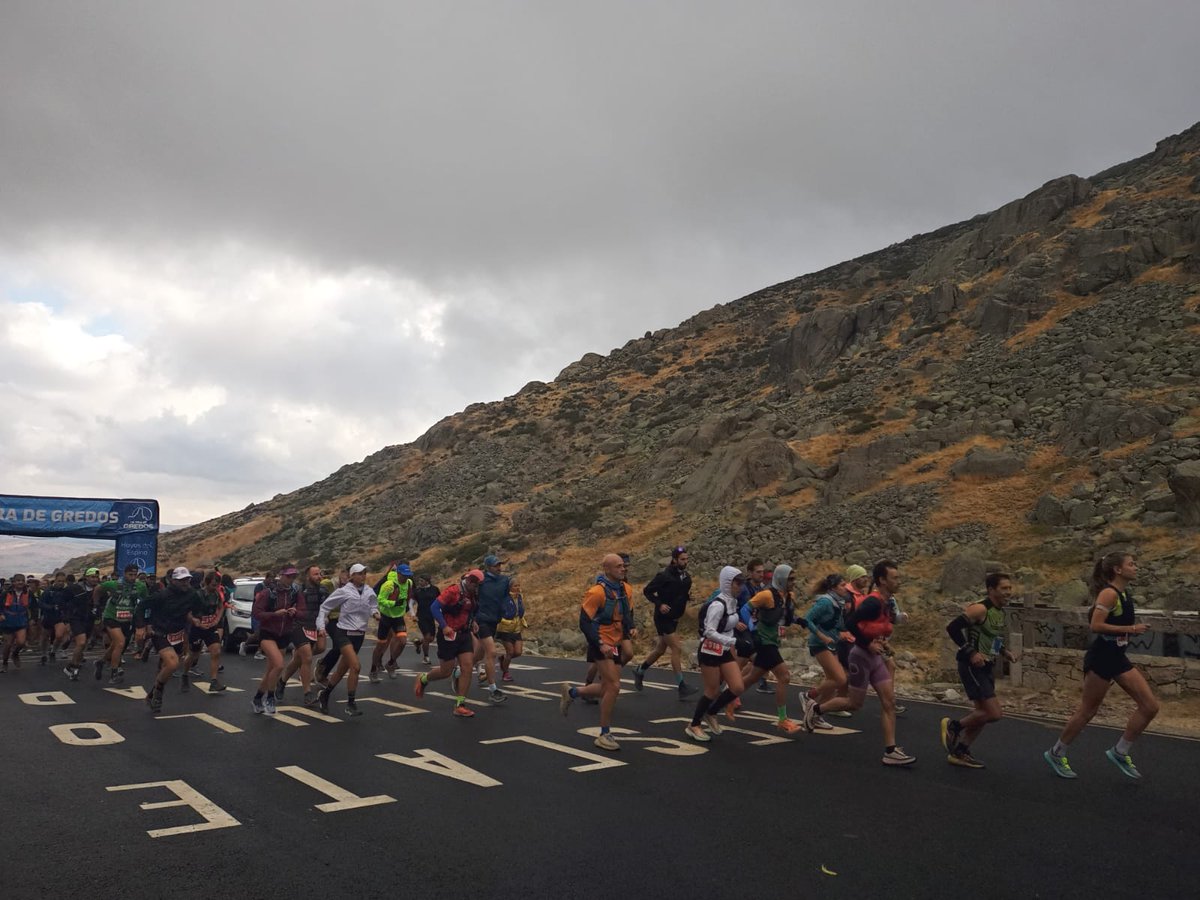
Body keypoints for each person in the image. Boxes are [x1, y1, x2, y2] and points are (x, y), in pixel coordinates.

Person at [1044, 553, 1159, 780]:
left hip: (1118, 658)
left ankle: (1120, 751)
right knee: (1087, 711)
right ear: (1117, 569)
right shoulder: (1109, 594)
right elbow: (1095, 625)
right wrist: (1131, 629)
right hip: (1101, 658)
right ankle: (1056, 752)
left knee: (1150, 706)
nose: (1136, 567)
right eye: (1131, 564)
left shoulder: (1125, 593)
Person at [941, 572, 1019, 768]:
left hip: (987, 666)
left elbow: (992, 636)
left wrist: (1003, 652)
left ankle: (961, 751)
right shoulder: (980, 609)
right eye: (1004, 588)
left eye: (1010, 588)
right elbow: (952, 628)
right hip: (971, 666)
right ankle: (954, 726)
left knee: (981, 713)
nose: (1008, 592)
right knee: (993, 714)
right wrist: (972, 653)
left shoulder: (1000, 611)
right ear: (991, 590)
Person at [559, 554, 634, 751]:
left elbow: (627, 613)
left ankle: (572, 692)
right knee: (615, 687)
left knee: (607, 688)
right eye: (618, 566)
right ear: (607, 570)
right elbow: (584, 622)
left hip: (615, 642)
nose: (623, 569)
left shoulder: (626, 589)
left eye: (624, 566)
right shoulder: (596, 592)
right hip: (600, 642)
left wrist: (630, 627)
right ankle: (604, 733)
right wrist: (600, 643)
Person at [844, 560, 915, 766]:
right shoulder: (873, 602)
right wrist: (867, 644)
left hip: (875, 656)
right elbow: (850, 623)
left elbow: (877, 626)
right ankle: (816, 708)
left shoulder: (886, 602)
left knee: (889, 701)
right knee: (854, 703)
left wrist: (883, 644)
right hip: (860, 655)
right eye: (895, 578)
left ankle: (890, 751)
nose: (898, 581)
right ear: (882, 580)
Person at [684, 566, 746, 742]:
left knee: (737, 687)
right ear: (728, 583)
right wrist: (733, 642)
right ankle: (694, 725)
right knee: (711, 690)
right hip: (710, 650)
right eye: (737, 583)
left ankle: (711, 713)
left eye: (741, 583)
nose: (740, 586)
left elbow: (729, 627)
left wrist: (735, 639)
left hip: (723, 650)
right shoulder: (718, 605)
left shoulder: (733, 602)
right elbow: (709, 632)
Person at [738, 565, 803, 733]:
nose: (793, 582)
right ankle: (782, 719)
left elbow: (783, 616)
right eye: (790, 579)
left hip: (772, 640)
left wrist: (800, 620)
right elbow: (746, 608)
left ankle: (726, 699)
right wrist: (750, 627)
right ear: (781, 578)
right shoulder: (767, 594)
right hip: (763, 640)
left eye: (794, 579)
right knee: (784, 676)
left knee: (752, 676)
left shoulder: (788, 596)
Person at [134, 567, 206, 714]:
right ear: (172, 581)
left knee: (168, 668)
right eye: (181, 580)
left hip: (178, 633)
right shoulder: (162, 595)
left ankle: (152, 694)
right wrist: (141, 626)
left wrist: (195, 619)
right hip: (160, 632)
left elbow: (198, 609)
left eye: (187, 579)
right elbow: (141, 606)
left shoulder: (193, 594)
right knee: (172, 664)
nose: (185, 583)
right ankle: (158, 695)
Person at [414, 569, 484, 717]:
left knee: (467, 666)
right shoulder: (453, 591)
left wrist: (473, 622)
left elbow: (471, 610)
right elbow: (434, 607)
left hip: (464, 634)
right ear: (470, 582)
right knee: (446, 671)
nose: (478, 589)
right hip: (448, 634)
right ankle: (424, 679)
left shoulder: (474, 594)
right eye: (476, 585)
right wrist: (444, 625)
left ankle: (460, 704)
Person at [633, 546, 697, 699]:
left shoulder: (686, 577)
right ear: (674, 560)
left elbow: (680, 593)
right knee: (677, 647)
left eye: (687, 559)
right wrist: (659, 603)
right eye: (682, 559)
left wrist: (687, 598)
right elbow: (647, 591)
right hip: (663, 618)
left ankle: (640, 670)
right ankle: (681, 685)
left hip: (675, 617)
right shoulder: (664, 575)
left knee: (661, 649)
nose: (685, 562)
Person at [316, 563, 378, 717]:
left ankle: (325, 694)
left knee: (341, 670)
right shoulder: (343, 591)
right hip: (343, 632)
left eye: (364, 573)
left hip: (359, 634)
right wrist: (321, 625)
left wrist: (375, 613)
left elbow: (373, 606)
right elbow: (324, 607)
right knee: (356, 667)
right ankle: (350, 703)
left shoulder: (369, 591)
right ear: (352, 575)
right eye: (359, 573)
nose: (362, 576)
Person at [801, 574, 856, 729]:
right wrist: (822, 636)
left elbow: (837, 625)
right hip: (819, 644)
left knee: (832, 680)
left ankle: (816, 714)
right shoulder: (825, 602)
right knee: (840, 679)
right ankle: (808, 696)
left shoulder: (839, 603)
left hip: (832, 644)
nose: (846, 588)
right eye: (842, 585)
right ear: (833, 588)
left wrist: (845, 633)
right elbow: (807, 619)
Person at [251, 565, 301, 715]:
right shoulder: (268, 593)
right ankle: (270, 698)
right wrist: (275, 614)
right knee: (279, 665)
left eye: (293, 577)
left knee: (271, 671)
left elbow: (303, 611)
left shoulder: (294, 593)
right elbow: (256, 613)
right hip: (268, 633)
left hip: (284, 634)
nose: (291, 579)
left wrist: (295, 612)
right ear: (281, 576)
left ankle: (257, 698)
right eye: (288, 576)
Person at [278, 565, 327, 706]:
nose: (319, 576)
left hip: (315, 625)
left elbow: (326, 607)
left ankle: (282, 681)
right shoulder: (298, 590)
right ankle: (307, 693)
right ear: (308, 576)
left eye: (320, 573)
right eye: (316, 574)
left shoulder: (323, 590)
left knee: (316, 650)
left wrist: (326, 619)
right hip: (298, 625)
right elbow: (288, 604)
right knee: (307, 657)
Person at [472, 555, 510, 703]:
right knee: (492, 652)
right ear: (488, 567)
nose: (499, 568)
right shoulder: (481, 581)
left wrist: (505, 610)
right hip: (481, 619)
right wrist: (473, 617)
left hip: (495, 620)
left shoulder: (504, 581)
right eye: (496, 566)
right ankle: (493, 690)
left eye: (500, 565)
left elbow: (506, 598)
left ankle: (461, 669)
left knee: (479, 653)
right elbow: (473, 597)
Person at [182, 571, 227, 692]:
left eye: (217, 585)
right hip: (197, 628)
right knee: (193, 654)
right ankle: (185, 674)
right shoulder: (197, 595)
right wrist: (195, 621)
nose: (215, 587)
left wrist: (217, 619)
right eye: (213, 585)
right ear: (206, 583)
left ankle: (214, 681)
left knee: (216, 651)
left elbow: (221, 606)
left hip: (210, 627)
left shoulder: (217, 594)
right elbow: (187, 611)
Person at [370, 563, 413, 682]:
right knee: (381, 645)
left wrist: (406, 609)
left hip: (399, 616)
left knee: (403, 641)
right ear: (398, 574)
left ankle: (391, 663)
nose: (406, 578)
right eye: (404, 575)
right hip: (386, 617)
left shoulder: (409, 583)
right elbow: (380, 600)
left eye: (408, 575)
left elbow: (408, 597)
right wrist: (394, 603)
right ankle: (373, 669)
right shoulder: (389, 585)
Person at [63, 568, 101, 681]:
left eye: (96, 577)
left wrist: (98, 618)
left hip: (90, 619)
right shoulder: (75, 588)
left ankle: (72, 665)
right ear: (86, 577)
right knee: (81, 642)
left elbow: (101, 604)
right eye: (92, 577)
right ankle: (73, 668)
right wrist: (66, 619)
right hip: (76, 618)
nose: (94, 579)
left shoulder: (100, 589)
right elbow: (63, 601)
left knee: (83, 645)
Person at [496, 576, 527, 683]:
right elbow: (500, 612)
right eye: (515, 586)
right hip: (505, 628)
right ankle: (506, 672)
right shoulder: (504, 597)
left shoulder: (519, 597)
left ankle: (503, 660)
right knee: (510, 652)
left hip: (516, 628)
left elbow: (520, 611)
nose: (518, 588)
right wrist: (504, 621)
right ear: (510, 587)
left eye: (519, 585)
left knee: (518, 652)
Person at [1, 573, 32, 672]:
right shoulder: (6, 593)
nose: (20, 582)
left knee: (21, 642)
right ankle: (5, 663)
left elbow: (34, 606)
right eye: (18, 580)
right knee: (8, 645)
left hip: (21, 621)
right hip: (8, 622)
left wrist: (33, 618)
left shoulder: (28, 593)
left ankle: (15, 654)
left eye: (22, 580)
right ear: (13, 582)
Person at [38, 572, 71, 664]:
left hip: (60, 617)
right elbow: (41, 603)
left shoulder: (66, 591)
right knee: (45, 637)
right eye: (59, 581)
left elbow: (70, 604)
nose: (61, 583)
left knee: (59, 636)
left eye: (63, 581)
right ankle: (43, 654)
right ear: (55, 580)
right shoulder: (48, 591)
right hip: (48, 616)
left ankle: (53, 651)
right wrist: (51, 607)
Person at [411, 574, 440, 665]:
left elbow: (440, 601)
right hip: (421, 616)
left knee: (431, 638)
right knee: (427, 636)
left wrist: (441, 612)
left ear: (427, 581)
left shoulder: (434, 589)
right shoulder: (417, 591)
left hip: (431, 616)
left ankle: (419, 643)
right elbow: (410, 603)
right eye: (419, 581)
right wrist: (413, 615)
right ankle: (426, 657)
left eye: (421, 581)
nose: (419, 583)